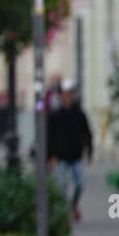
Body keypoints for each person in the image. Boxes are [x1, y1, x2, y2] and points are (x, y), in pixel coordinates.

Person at [48, 78, 93, 222]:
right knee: (61, 185)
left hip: (76, 155)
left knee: (80, 184)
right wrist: (51, 156)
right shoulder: (56, 115)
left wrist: (90, 152)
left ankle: (73, 206)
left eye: (71, 93)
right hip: (60, 156)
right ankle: (63, 211)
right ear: (62, 95)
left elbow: (87, 133)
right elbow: (50, 137)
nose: (69, 96)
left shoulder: (79, 113)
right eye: (66, 93)